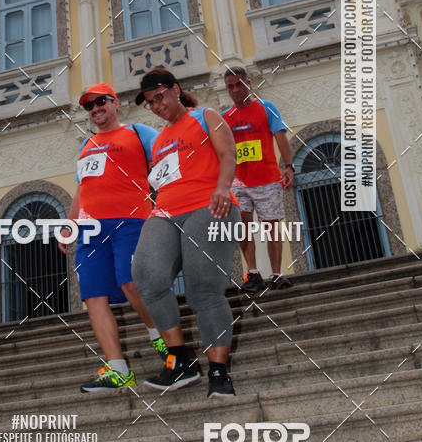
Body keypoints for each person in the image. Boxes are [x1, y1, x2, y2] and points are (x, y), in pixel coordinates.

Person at [131, 68, 240, 398]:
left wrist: (223, 188)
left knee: (202, 288)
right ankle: (180, 361)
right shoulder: (159, 140)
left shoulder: (206, 116)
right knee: (146, 275)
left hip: (210, 205)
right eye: (150, 102)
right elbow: (161, 181)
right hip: (165, 212)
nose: (156, 105)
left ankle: (218, 371)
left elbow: (228, 154)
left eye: (160, 96)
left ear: (176, 89)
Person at [59, 83, 166, 393]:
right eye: (89, 106)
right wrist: (70, 224)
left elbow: (169, 160)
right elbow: (83, 189)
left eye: (100, 102)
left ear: (115, 103)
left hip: (132, 221)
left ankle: (158, 332)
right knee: (93, 296)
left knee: (130, 281)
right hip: (91, 229)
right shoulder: (87, 145)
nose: (95, 109)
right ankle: (118, 369)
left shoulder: (138, 133)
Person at [222, 67, 294, 293]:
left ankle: (276, 274)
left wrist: (289, 166)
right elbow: (221, 151)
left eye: (239, 84)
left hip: (268, 179)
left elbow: (280, 136)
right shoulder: (224, 118)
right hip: (239, 183)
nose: (235, 90)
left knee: (271, 227)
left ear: (249, 83)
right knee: (242, 225)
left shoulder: (266, 108)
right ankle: (252, 272)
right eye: (230, 86)